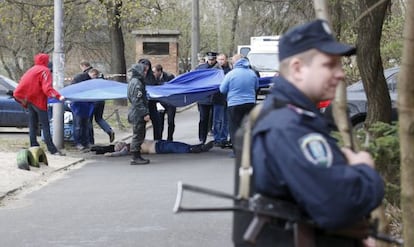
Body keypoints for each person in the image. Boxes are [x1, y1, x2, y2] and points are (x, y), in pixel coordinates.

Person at [248, 19, 384, 246]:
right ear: (298, 68)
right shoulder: (288, 127)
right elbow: (338, 205)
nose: (340, 74)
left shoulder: (294, 117)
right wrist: (365, 169)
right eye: (330, 65)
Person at [13, 53, 65, 156]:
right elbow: (47, 88)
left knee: (32, 124)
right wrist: (58, 96)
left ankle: (33, 146)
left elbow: (22, 84)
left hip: (29, 101)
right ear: (46, 61)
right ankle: (52, 150)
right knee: (45, 125)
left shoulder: (31, 70)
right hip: (39, 101)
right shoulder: (44, 71)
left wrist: (23, 98)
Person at [219, 54, 258, 151]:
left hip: (234, 104)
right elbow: (256, 86)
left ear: (234, 63)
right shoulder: (252, 73)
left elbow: (222, 89)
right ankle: (249, 148)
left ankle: (237, 150)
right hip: (250, 103)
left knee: (234, 127)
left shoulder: (231, 74)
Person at [127, 63, 151, 165]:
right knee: (138, 134)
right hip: (138, 113)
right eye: (144, 71)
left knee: (140, 134)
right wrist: (145, 113)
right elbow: (137, 100)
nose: (145, 73)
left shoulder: (135, 81)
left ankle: (137, 155)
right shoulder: (137, 83)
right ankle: (135, 156)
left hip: (136, 112)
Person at [195, 51, 220, 144]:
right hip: (203, 98)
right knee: (203, 119)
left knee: (215, 119)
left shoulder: (219, 68)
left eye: (213, 59)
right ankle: (202, 138)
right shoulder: (200, 68)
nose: (211, 61)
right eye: (209, 59)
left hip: (216, 97)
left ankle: (216, 137)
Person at [88, 68, 115, 143]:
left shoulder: (91, 82)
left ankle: (90, 141)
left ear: (93, 74)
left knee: (88, 121)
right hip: (101, 100)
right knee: (99, 118)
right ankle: (109, 130)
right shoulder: (102, 80)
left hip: (93, 101)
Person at [91, 139, 214, 156]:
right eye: (118, 145)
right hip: (156, 148)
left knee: (176, 144)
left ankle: (195, 147)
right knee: (174, 147)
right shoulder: (127, 149)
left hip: (157, 143)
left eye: (118, 143)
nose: (120, 143)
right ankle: (193, 149)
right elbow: (118, 153)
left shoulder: (129, 143)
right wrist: (110, 154)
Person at [138, 58, 163, 141]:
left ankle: (157, 141)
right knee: (141, 126)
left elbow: (156, 86)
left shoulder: (151, 76)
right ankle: (140, 142)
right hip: (142, 105)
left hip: (152, 104)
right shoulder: (137, 77)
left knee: (157, 123)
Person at [152, 64, 176, 141]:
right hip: (160, 102)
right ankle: (159, 139)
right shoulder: (153, 78)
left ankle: (169, 138)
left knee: (170, 121)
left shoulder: (169, 77)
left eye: (154, 72)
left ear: (160, 71)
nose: (153, 74)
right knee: (159, 122)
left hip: (170, 102)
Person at [212, 53, 231, 148]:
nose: (220, 61)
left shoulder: (230, 70)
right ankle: (217, 138)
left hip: (228, 98)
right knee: (217, 120)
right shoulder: (214, 70)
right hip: (218, 98)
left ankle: (224, 138)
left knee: (226, 120)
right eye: (219, 59)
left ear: (226, 60)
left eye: (222, 59)